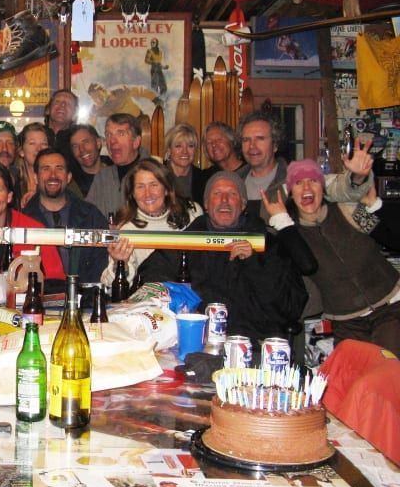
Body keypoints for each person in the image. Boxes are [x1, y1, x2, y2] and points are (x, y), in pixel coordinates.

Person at [138, 171, 308, 345]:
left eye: (232, 194)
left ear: (243, 204)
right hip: (196, 340)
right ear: (206, 204)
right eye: (217, 193)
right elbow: (149, 278)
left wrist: (254, 264)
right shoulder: (188, 241)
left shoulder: (268, 244)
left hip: (253, 342)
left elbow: (290, 306)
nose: (224, 200)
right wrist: (184, 302)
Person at [264, 158, 400, 356]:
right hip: (346, 321)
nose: (306, 187)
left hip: (389, 307)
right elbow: (307, 265)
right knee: (353, 373)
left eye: (313, 181)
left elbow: (394, 240)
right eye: (298, 183)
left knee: (386, 367)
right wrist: (282, 222)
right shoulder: (290, 234)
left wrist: (375, 205)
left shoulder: (348, 210)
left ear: (323, 188)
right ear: (291, 193)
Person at [239, 110, 372, 219]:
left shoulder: (296, 177)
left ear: (275, 145)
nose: (252, 146)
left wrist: (357, 177)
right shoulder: (233, 181)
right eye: (246, 140)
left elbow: (338, 188)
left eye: (260, 139)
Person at [102, 158, 202, 288]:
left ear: (166, 189)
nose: (147, 194)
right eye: (140, 187)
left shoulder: (192, 213)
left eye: (153, 185)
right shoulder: (126, 230)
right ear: (132, 193)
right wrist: (120, 264)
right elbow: (110, 286)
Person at [22, 149, 107, 283]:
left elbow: (102, 266)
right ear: (36, 177)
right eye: (46, 169)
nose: (53, 175)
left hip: (85, 295)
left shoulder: (91, 216)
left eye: (59, 169)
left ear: (68, 177)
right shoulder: (22, 220)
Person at [86, 113, 143, 218]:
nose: (112, 141)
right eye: (108, 135)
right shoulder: (102, 177)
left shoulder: (154, 175)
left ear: (136, 142)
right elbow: (87, 216)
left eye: (120, 133)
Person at [67, 124, 112, 197]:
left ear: (98, 143)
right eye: (75, 146)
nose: (82, 149)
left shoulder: (119, 171)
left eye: (86, 142)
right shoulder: (71, 184)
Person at [164, 123, 204, 204]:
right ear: (169, 150)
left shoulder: (203, 178)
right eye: (178, 146)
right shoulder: (158, 175)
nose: (185, 151)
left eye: (190, 146)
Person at [16, 122, 53, 208]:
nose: (39, 149)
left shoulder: (58, 178)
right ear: (21, 151)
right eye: (32, 143)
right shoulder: (12, 181)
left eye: (44, 144)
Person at [44, 89, 78, 156]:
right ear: (48, 110)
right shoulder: (34, 135)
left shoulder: (78, 140)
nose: (63, 105)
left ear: (74, 115)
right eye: (57, 102)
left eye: (68, 103)